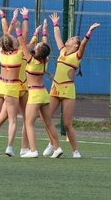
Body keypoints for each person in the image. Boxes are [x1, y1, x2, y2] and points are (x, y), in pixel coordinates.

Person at [47, 12, 99, 158]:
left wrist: (88, 33)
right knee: (46, 118)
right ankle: (52, 144)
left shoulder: (76, 55)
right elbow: (57, 37)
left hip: (68, 90)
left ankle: (75, 151)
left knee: (67, 124)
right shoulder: (63, 51)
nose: (67, 39)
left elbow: (83, 44)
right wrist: (55, 23)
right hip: (55, 89)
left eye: (71, 39)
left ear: (75, 45)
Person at [22, 20, 62, 158]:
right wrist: (44, 30)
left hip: (34, 94)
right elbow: (44, 45)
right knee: (49, 123)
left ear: (37, 51)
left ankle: (33, 150)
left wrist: (28, 31)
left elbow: (22, 44)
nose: (37, 44)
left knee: (29, 123)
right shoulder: (45, 61)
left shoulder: (31, 60)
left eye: (38, 45)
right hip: (44, 93)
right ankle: (57, 148)